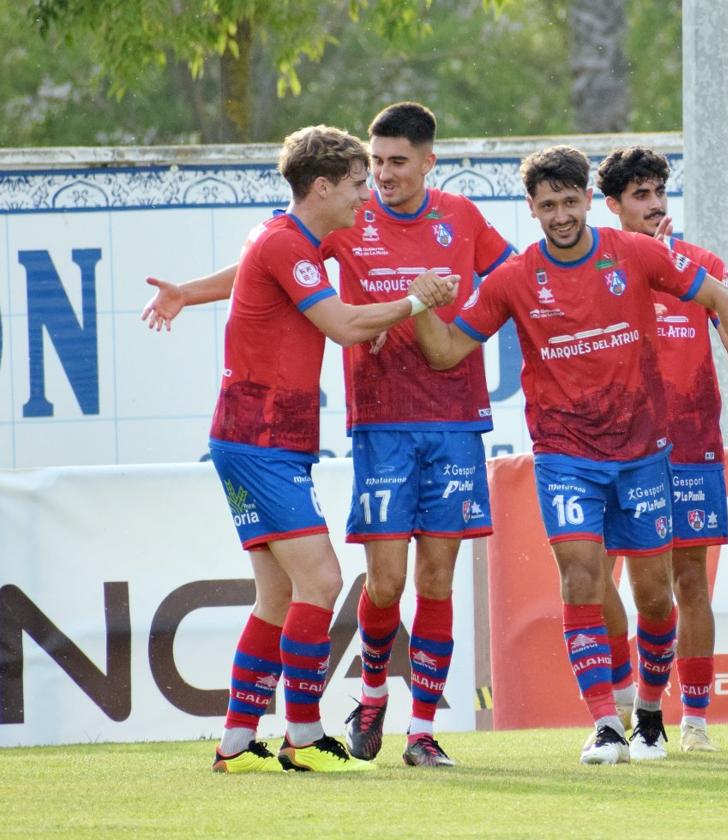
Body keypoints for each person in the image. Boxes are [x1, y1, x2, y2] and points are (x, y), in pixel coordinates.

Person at [144, 102, 514, 768]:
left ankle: (252, 736)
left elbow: (510, 280)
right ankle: (322, 725)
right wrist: (416, 302)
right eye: (365, 171)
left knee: (342, 588)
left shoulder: (441, 218)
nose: (373, 185)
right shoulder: (311, 232)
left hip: (425, 421)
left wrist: (468, 332)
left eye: (394, 164)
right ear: (329, 185)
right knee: (347, 583)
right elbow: (331, 313)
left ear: (430, 162)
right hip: (317, 432)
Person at [407, 145, 728, 764]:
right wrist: (420, 305)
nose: (560, 215)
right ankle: (606, 724)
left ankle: (652, 712)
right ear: (531, 208)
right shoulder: (514, 279)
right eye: (547, 205)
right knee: (582, 577)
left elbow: (724, 301)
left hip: (644, 451)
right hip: (564, 454)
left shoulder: (632, 252)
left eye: (569, 201)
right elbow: (444, 352)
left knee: (657, 595)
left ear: (587, 200)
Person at [205, 124, 457, 773]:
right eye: (353, 183)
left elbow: (279, 290)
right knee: (321, 579)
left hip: (258, 438)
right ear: (321, 186)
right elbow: (344, 325)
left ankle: (237, 744)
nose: (362, 195)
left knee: (278, 596)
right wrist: (412, 300)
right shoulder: (290, 243)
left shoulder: (288, 241)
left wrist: (185, 291)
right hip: (260, 439)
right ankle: (306, 736)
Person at [593, 146, 728, 753]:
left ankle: (694, 722)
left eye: (660, 191)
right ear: (611, 205)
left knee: (691, 581)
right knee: (600, 573)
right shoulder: (595, 265)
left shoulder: (701, 263)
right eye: (640, 194)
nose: (655, 204)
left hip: (691, 441)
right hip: (615, 444)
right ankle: (617, 703)